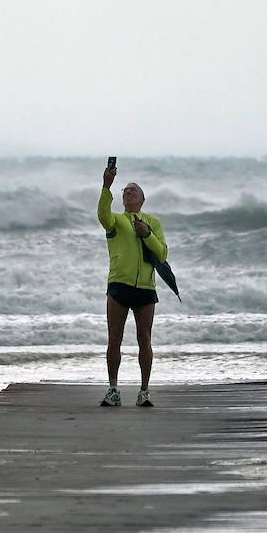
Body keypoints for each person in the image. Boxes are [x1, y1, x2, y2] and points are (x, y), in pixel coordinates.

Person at [97, 162, 167, 408]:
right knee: (114, 337)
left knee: (144, 338)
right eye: (125, 191)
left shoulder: (153, 223)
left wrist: (147, 234)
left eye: (133, 190)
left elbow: (162, 255)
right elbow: (102, 216)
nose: (128, 192)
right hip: (119, 285)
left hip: (146, 288)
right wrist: (106, 186)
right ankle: (113, 389)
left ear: (142, 199)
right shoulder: (116, 220)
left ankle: (144, 391)